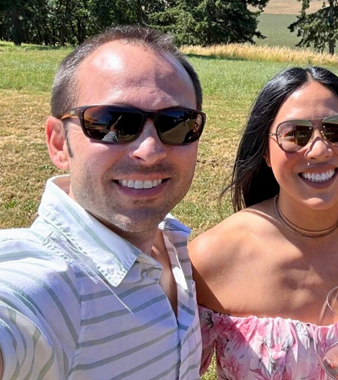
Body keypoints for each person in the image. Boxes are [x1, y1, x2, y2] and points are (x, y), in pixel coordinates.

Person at [0, 26, 207, 379]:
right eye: (113, 123)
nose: (150, 150)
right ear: (59, 143)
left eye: (177, 124)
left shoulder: (172, 242)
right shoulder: (50, 286)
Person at [189, 66, 338, 380]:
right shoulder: (211, 258)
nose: (320, 149)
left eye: (337, 131)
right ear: (266, 153)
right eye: (296, 134)